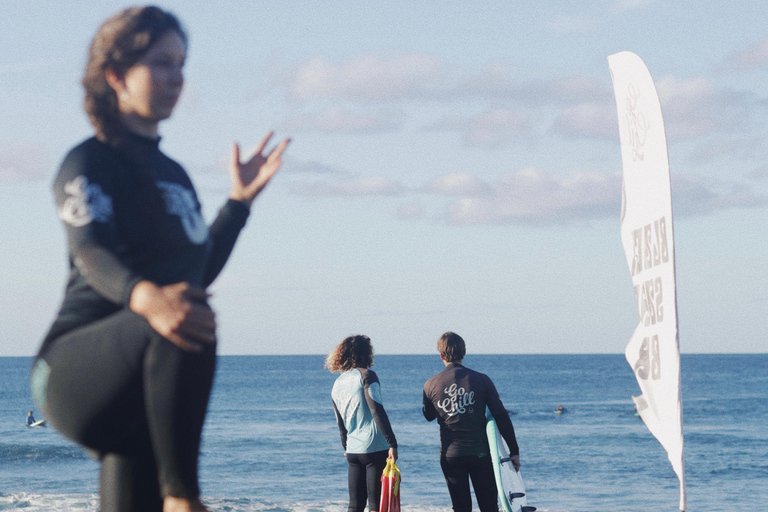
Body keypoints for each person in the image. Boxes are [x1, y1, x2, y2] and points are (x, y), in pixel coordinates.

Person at [28, 6, 289, 512]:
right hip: (69, 372)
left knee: (181, 307)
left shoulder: (175, 176)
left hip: (145, 381)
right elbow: (90, 251)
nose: (177, 77)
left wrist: (238, 204)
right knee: (179, 316)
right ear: (117, 75)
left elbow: (195, 272)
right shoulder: (88, 162)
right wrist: (147, 298)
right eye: (162, 63)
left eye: (182, 64)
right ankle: (183, 498)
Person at [422, 332, 520, 512]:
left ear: (441, 355)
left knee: (460, 508)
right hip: (480, 455)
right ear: (463, 353)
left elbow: (428, 416)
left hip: (450, 456)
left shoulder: (430, 384)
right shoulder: (482, 379)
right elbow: (501, 415)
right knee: (489, 507)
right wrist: (514, 451)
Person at [325, 335, 398, 512]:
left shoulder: (338, 383)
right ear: (366, 354)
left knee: (354, 505)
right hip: (374, 448)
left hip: (353, 451)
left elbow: (340, 423)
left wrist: (347, 446)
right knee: (375, 506)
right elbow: (376, 410)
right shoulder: (367, 376)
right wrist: (392, 443)